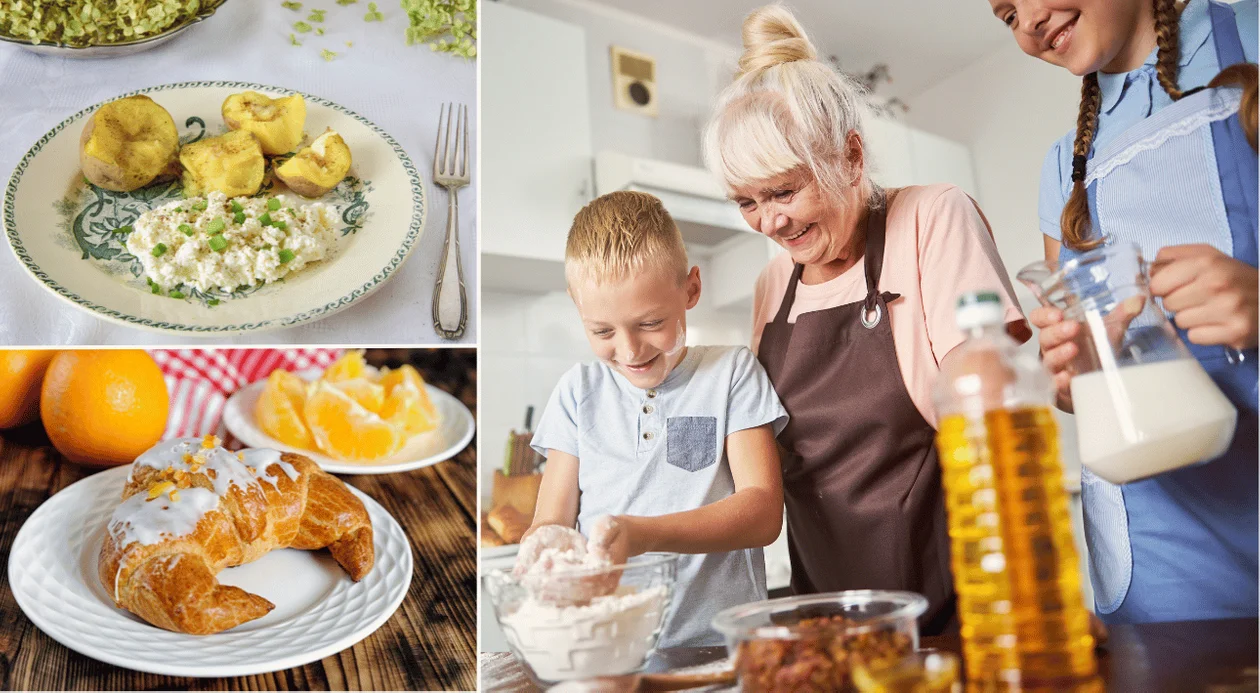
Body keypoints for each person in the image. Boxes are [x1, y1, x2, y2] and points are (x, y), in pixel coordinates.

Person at [702, 5, 1030, 636]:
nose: (769, 223)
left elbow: (990, 419)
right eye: (746, 201)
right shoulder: (773, 285)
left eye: (783, 191)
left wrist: (1019, 597)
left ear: (851, 157)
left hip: (952, 610)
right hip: (825, 617)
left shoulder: (932, 218)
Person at [992, 0, 1258, 622]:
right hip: (1160, 542)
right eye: (1006, 15)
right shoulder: (1066, 168)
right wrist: (1073, 369)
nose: (1028, 20)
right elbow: (1081, 384)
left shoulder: (1249, 35)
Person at [516, 190, 789, 647]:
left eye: (650, 323)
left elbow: (763, 512)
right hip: (611, 650)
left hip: (725, 648)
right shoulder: (577, 393)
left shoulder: (730, 373)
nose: (629, 350)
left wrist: (640, 535)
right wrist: (545, 551)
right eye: (602, 330)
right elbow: (552, 522)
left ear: (691, 290)